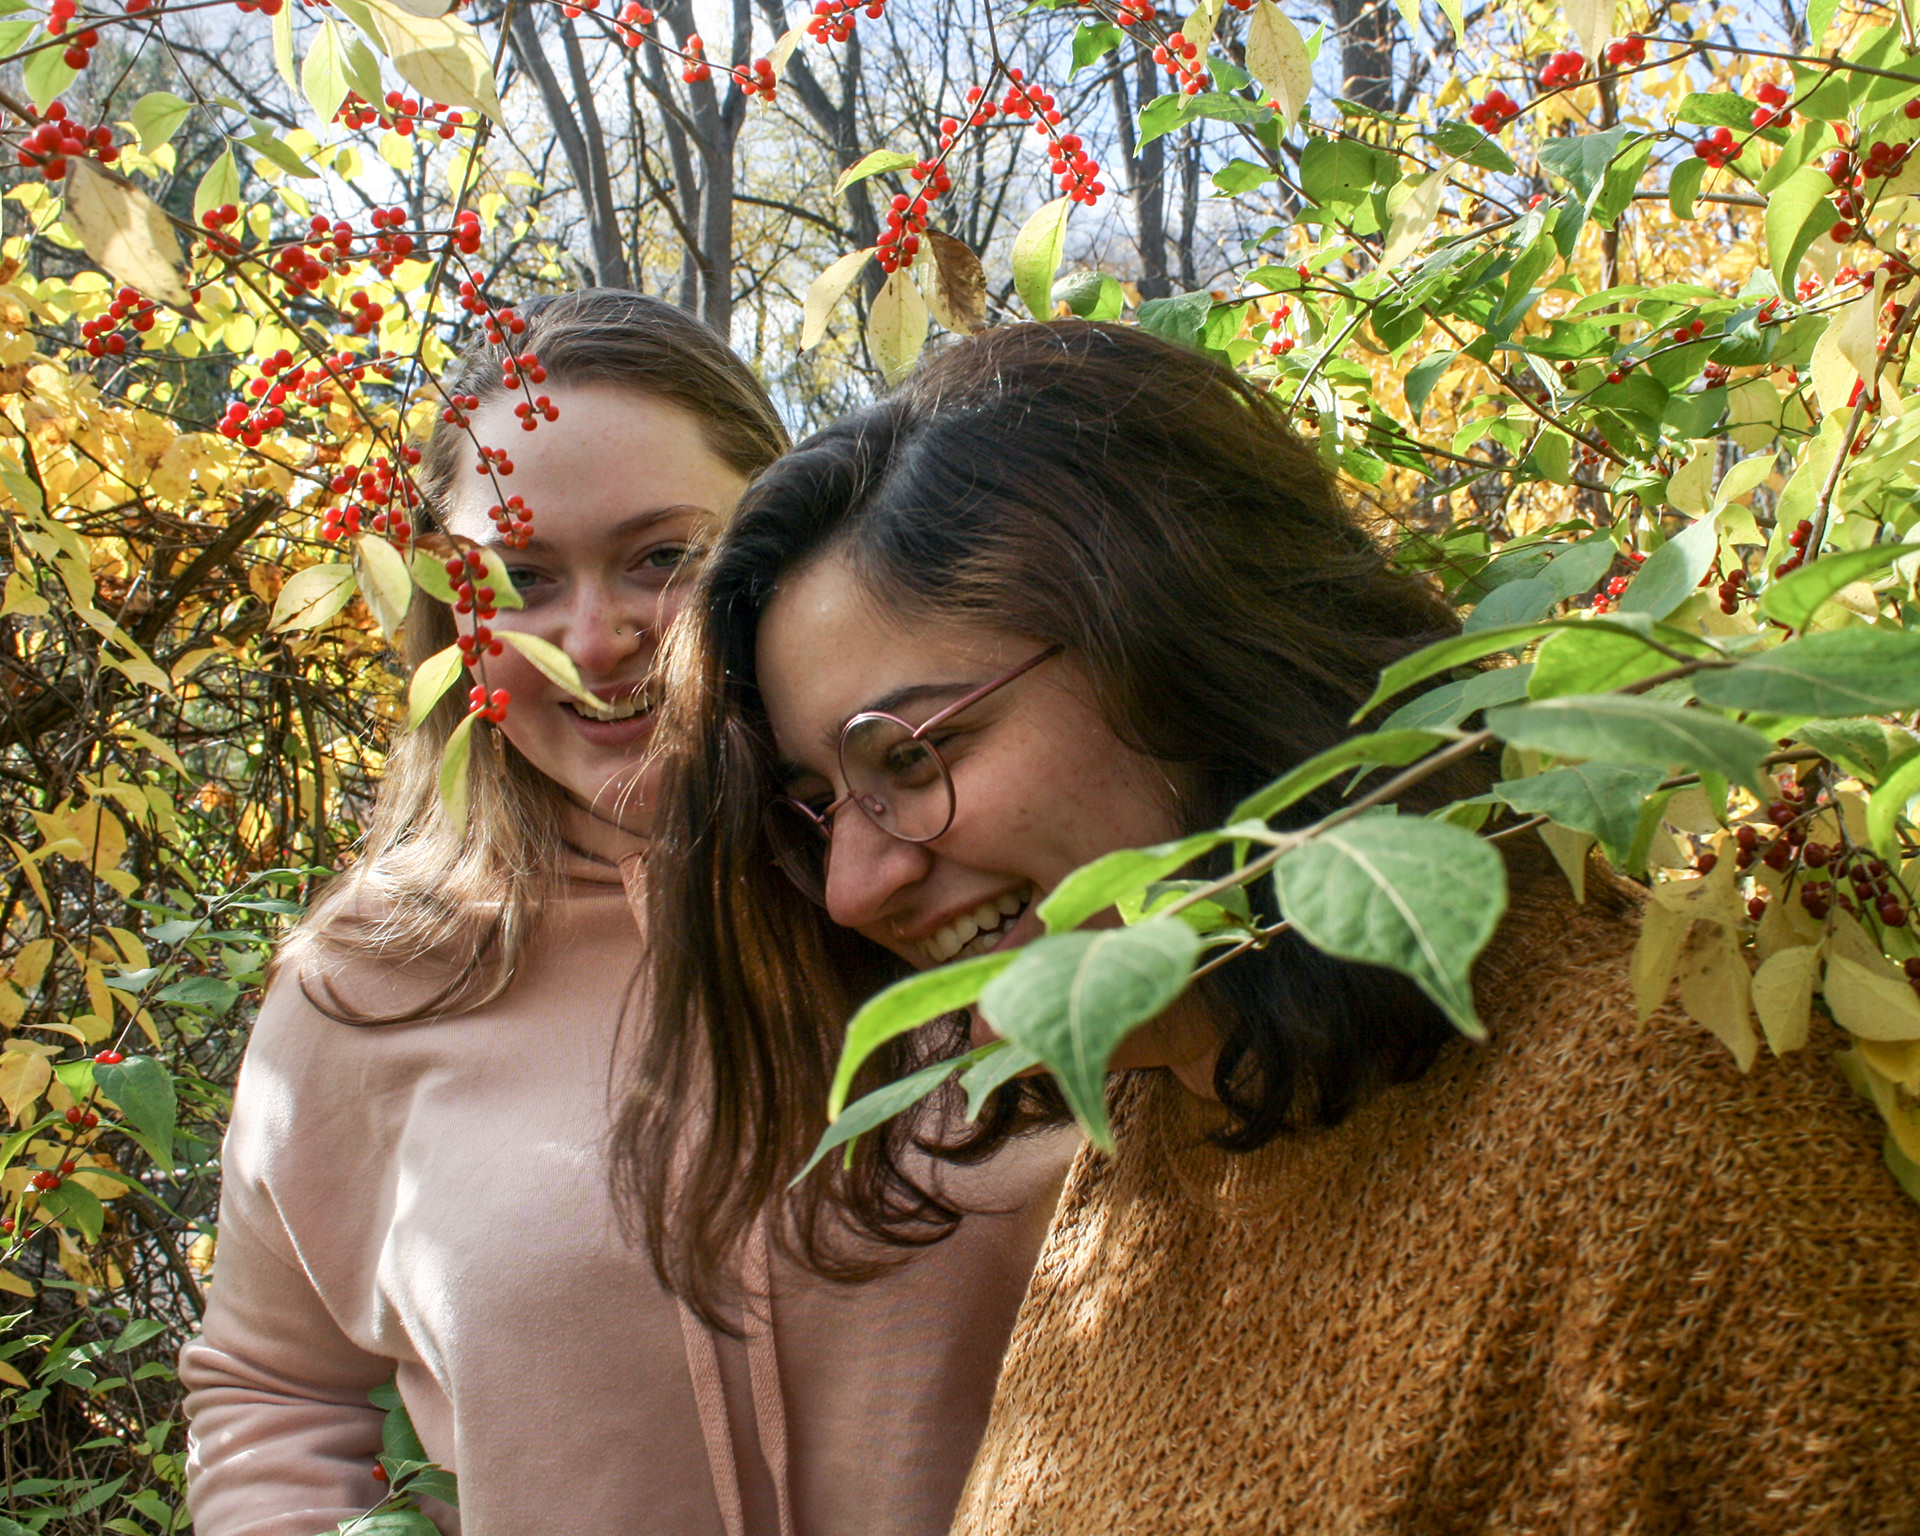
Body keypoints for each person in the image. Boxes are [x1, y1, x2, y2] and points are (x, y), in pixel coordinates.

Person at [634, 320, 1920, 1533]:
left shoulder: (1653, 1126)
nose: (854, 887)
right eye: (819, 805)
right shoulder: (1173, 1118)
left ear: (1182, 651)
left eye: (909, 755)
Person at [179, 291, 1075, 1536]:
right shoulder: (370, 984)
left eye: (663, 558)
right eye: (520, 579)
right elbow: (271, 1393)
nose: (597, 641)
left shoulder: (958, 861)